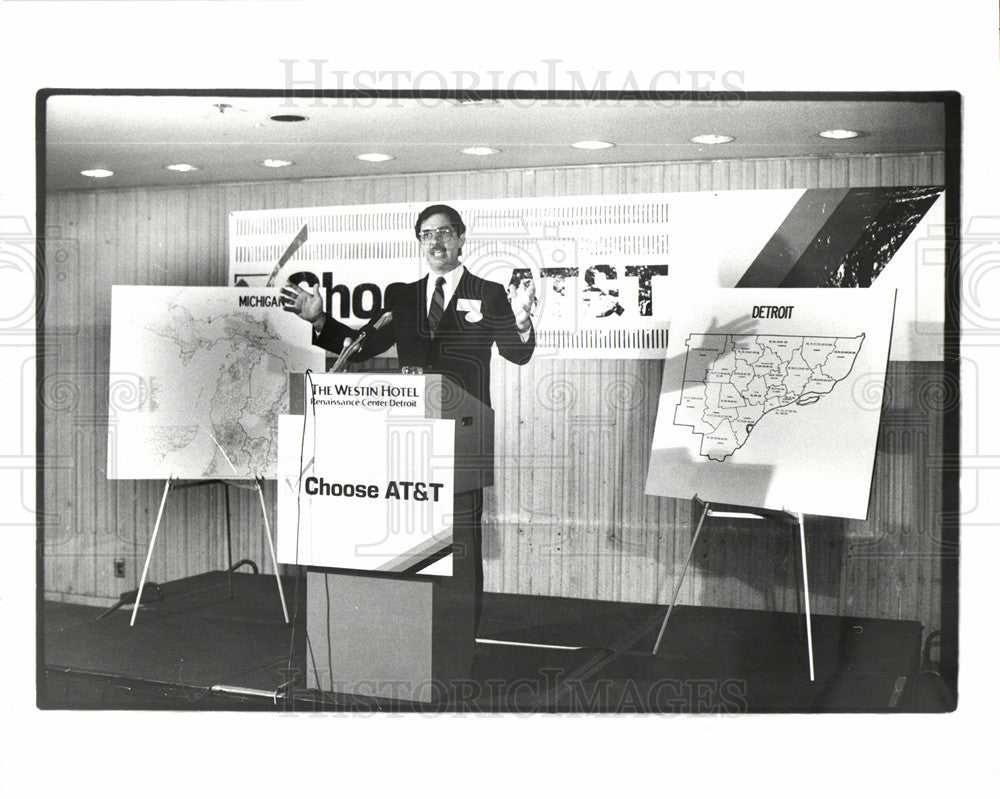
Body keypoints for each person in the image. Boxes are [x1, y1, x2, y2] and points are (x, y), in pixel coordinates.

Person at [280, 203, 536, 633]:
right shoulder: (401, 295)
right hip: (410, 438)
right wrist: (320, 319)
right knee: (413, 540)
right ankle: (413, 632)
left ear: (460, 238)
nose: (436, 241)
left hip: (463, 438)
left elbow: (518, 352)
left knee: (461, 546)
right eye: (426, 234)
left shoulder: (488, 292)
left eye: (445, 232)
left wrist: (524, 319)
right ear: (419, 242)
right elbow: (361, 347)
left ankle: (459, 637)